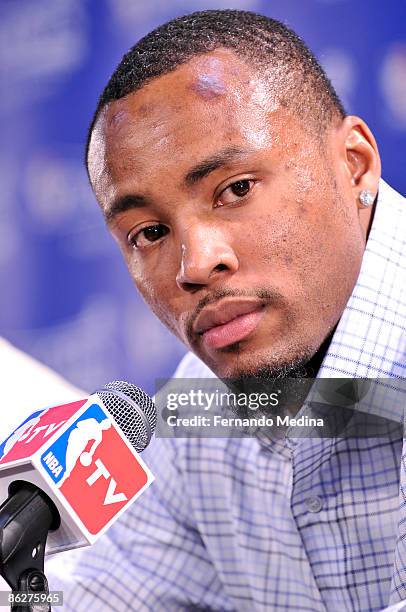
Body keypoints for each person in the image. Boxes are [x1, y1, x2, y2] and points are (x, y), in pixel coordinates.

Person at [47, 10, 406, 611]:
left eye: (235, 189)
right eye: (150, 232)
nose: (195, 263)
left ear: (355, 164)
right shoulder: (199, 415)